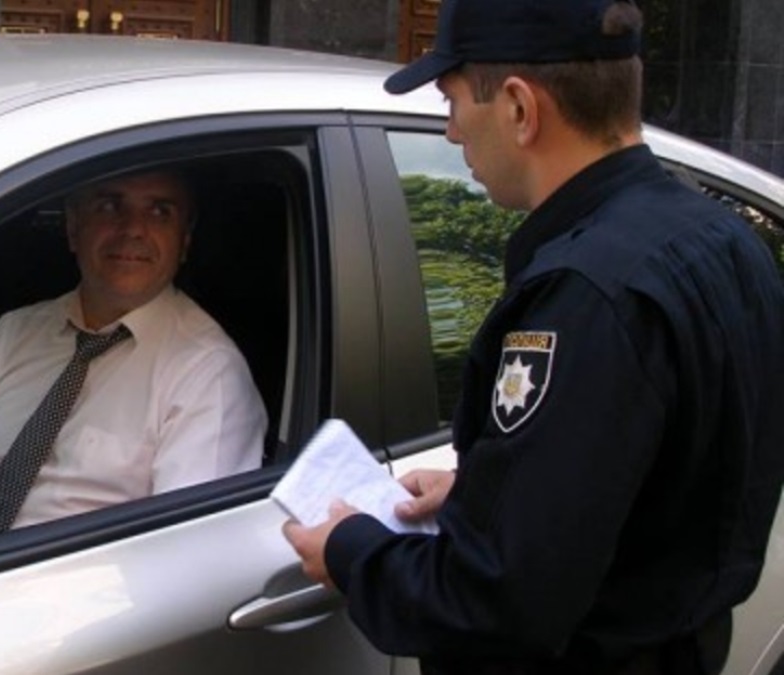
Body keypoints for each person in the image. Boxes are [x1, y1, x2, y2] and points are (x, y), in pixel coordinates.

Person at [283, 1, 784, 673]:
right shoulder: (726, 240)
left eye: (453, 100)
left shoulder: (585, 296)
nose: (451, 130)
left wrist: (350, 550)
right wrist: (482, 494)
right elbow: (656, 487)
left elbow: (498, 601)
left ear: (520, 108)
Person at [0, 168, 267, 544]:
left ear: (184, 242)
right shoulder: (16, 333)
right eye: (110, 206)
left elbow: (186, 548)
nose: (133, 229)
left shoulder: (208, 372)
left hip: (95, 586)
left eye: (160, 211)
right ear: (73, 227)